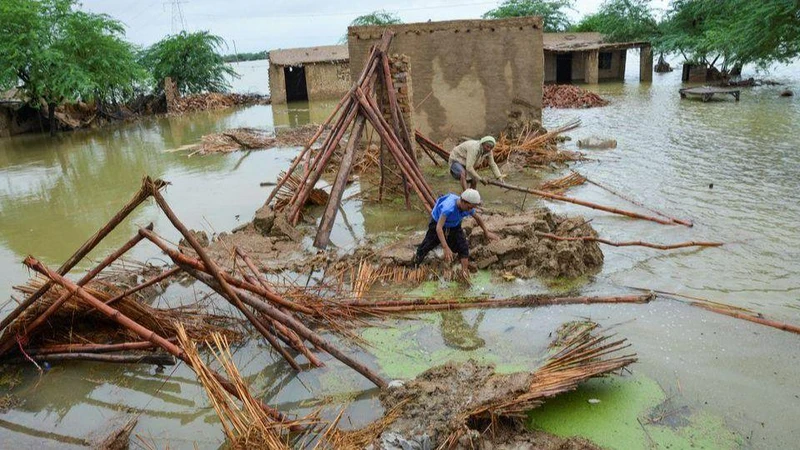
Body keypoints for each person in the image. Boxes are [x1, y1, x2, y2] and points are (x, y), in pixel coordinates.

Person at [413, 189, 499, 279]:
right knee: (426, 246)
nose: (470, 210)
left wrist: (486, 232)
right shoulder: (448, 208)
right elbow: (439, 228)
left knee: (463, 247)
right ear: (462, 201)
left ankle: (464, 273)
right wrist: (445, 247)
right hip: (438, 223)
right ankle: (414, 266)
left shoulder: (468, 207)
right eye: (469, 207)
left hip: (455, 225)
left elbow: (478, 218)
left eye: (472, 208)